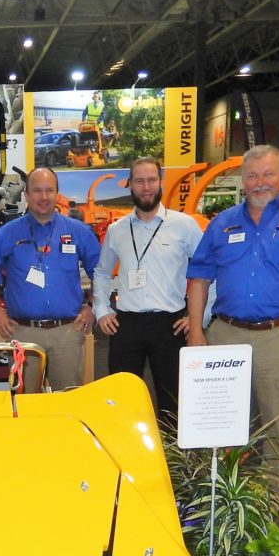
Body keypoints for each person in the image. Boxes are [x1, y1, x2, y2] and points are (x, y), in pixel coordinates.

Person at [186, 144, 279, 519]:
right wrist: (196, 332)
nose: (260, 182)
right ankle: (217, 500)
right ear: (242, 181)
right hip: (224, 334)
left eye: (268, 174)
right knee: (217, 423)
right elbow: (199, 277)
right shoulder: (222, 223)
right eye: (252, 176)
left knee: (278, 422)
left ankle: (276, 506)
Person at [93, 157, 204, 422]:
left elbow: (208, 273)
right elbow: (101, 272)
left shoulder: (184, 226)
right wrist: (101, 309)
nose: (146, 187)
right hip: (126, 325)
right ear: (130, 185)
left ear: (161, 182)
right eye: (139, 181)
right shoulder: (117, 230)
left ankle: (172, 463)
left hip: (171, 324)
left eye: (151, 180)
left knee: (172, 402)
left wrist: (197, 318)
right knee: (121, 401)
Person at [0, 167, 100, 390]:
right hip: (22, 333)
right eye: (37, 190)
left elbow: (101, 273)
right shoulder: (6, 235)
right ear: (27, 195)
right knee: (25, 405)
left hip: (67, 333)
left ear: (57, 193)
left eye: (49, 190)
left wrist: (92, 306)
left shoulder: (79, 232)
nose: (43, 197)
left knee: (67, 404)